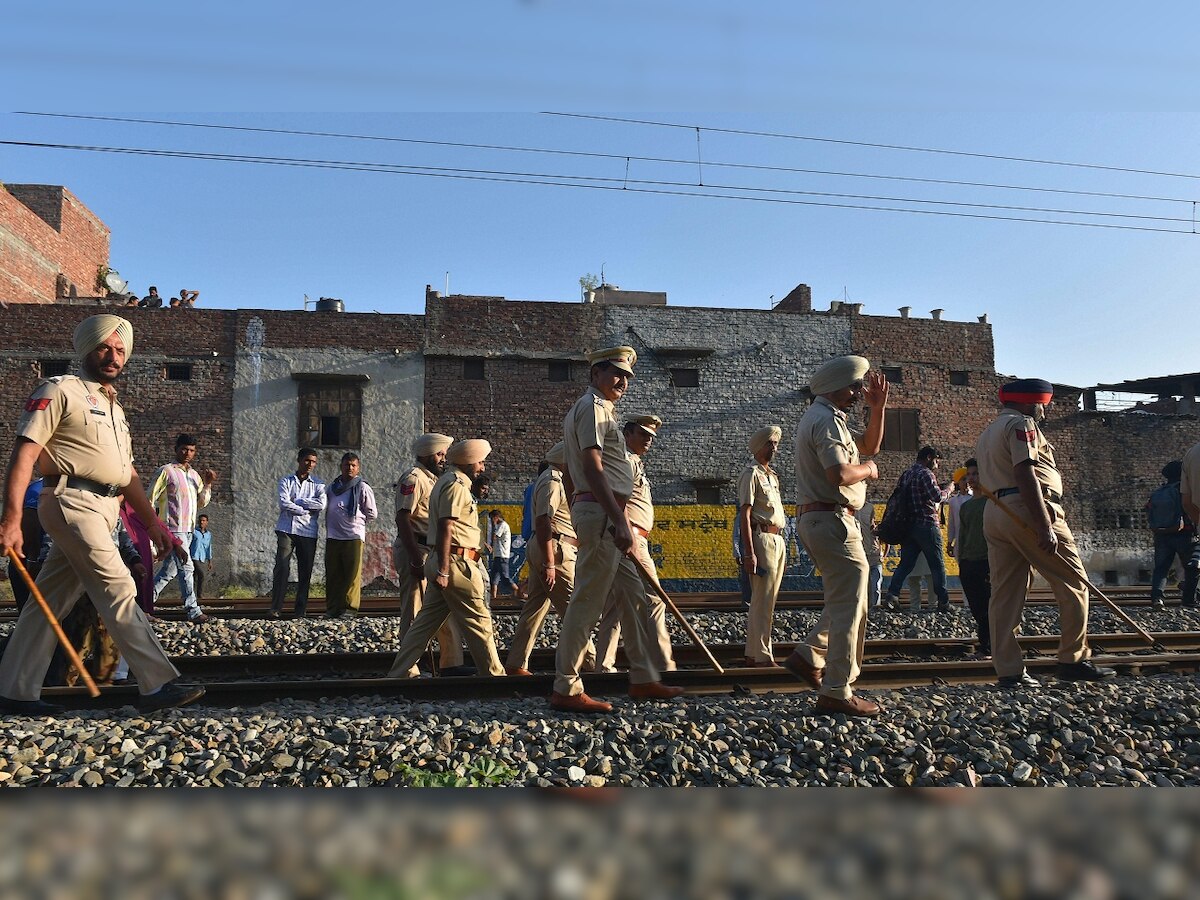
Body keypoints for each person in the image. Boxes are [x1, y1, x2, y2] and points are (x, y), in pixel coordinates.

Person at [0, 314, 203, 713]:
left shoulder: (115, 409)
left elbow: (126, 474)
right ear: (87, 350)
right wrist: (10, 518)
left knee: (48, 603)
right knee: (118, 587)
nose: (114, 356)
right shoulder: (61, 390)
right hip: (70, 500)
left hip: (106, 508)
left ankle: (13, 690)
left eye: (120, 350)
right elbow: (24, 454)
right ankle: (157, 683)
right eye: (105, 348)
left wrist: (154, 524)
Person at [551, 346, 682, 713]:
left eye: (627, 376)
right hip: (604, 515)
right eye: (615, 374)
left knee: (635, 595)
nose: (622, 381)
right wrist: (619, 519)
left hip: (606, 514)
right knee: (588, 600)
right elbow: (592, 467)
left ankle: (643, 678)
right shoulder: (592, 407)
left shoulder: (603, 409)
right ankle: (566, 687)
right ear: (595, 374)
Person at [975, 377, 1115, 686]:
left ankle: (1009, 671)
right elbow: (1024, 470)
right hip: (1028, 509)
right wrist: (1043, 525)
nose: (1044, 412)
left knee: (1005, 593)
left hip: (996, 512)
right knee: (1075, 583)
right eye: (1042, 405)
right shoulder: (1022, 424)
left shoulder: (988, 432)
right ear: (1030, 402)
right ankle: (1073, 659)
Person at [783, 355, 888, 717]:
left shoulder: (828, 418)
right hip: (832, 520)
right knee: (850, 608)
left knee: (849, 600)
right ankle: (837, 690)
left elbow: (870, 445)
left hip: (827, 521)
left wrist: (878, 409)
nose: (860, 392)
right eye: (856, 386)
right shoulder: (825, 420)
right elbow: (840, 474)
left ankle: (809, 655)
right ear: (835, 386)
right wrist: (870, 472)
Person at [387, 439, 506, 678]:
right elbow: (445, 526)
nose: (482, 467)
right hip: (454, 562)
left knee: (424, 624)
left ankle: (399, 673)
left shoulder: (445, 481)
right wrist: (442, 569)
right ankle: (496, 677)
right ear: (470, 461)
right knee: (480, 622)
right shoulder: (454, 485)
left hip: (442, 558)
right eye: (480, 462)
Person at [591, 415, 675, 674]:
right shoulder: (625, 461)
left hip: (630, 537)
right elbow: (619, 500)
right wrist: (626, 531)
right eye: (643, 435)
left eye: (651, 437)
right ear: (627, 434)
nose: (648, 441)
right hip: (631, 538)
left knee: (615, 605)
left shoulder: (633, 461)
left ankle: (604, 665)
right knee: (655, 599)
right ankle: (664, 664)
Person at [506, 444, 596, 675]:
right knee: (575, 609)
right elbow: (544, 520)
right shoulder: (553, 481)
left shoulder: (550, 479)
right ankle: (593, 664)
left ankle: (516, 663)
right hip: (555, 549)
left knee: (534, 608)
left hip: (547, 547)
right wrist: (549, 563)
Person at [392, 433, 468, 677]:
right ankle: (408, 669)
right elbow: (403, 517)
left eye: (444, 454)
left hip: (432, 550)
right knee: (414, 611)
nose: (443, 459)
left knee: (443, 608)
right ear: (425, 454)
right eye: (439, 454)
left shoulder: (436, 480)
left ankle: (451, 663)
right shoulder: (413, 479)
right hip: (416, 547)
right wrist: (415, 558)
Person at [149, 433, 216, 624]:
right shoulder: (166, 471)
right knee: (187, 567)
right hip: (172, 529)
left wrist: (208, 483)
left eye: (192, 450)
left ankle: (142, 602)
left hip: (189, 529)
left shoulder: (195, 476)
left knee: (168, 572)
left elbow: (201, 503)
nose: (188, 453)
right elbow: (149, 498)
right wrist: (154, 530)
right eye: (184, 449)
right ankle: (193, 610)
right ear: (176, 449)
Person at [880, 446, 954, 613]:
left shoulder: (906, 474)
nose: (937, 465)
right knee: (937, 565)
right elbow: (936, 496)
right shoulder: (926, 474)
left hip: (908, 527)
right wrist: (948, 490)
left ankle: (892, 595)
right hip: (927, 524)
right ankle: (943, 602)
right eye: (936, 461)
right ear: (929, 457)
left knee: (905, 564)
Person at [739, 425, 788, 667]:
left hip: (777, 539)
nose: (774, 448)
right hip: (762, 539)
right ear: (759, 447)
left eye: (776, 444)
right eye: (770, 444)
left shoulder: (772, 476)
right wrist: (748, 552)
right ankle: (761, 656)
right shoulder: (751, 474)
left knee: (769, 599)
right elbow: (745, 515)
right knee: (762, 598)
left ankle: (753, 653)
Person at [271, 447, 326, 619]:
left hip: (308, 532)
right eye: (307, 460)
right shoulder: (286, 481)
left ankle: (300, 610)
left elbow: (321, 505)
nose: (310, 464)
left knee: (305, 570)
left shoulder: (318, 484)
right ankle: (275, 607)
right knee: (282, 567)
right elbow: (284, 503)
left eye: (313, 462)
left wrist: (300, 502)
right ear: (299, 460)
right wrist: (304, 510)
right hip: (286, 529)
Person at [324, 452, 378, 618]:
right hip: (333, 536)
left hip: (353, 537)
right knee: (333, 574)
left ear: (358, 468)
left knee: (351, 575)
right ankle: (333, 609)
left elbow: (372, 513)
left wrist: (358, 521)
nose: (350, 468)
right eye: (347, 465)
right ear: (341, 467)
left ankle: (349, 609)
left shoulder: (362, 487)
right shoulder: (332, 488)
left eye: (353, 465)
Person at [1147, 460, 1198, 609]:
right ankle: (1189, 599)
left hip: (1162, 535)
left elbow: (1149, 510)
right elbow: (1190, 508)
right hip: (1184, 533)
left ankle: (1157, 598)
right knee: (1191, 567)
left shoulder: (1159, 492)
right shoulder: (1183, 491)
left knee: (1161, 568)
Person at [954, 461, 991, 657]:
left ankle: (987, 645)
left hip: (987, 560)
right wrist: (961, 558)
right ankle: (987, 644)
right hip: (969, 561)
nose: (972, 478)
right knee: (977, 606)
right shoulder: (966, 507)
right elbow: (963, 534)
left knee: (988, 605)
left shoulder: (992, 503)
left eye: (976, 474)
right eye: (969, 474)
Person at [6, 474, 44, 612]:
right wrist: (32, 561)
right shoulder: (38, 489)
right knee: (31, 611)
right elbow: (30, 527)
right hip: (29, 560)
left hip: (38, 560)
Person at [854, 501, 883, 611]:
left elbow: (885, 542)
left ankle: (875, 606)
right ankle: (863, 607)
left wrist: (882, 555)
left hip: (874, 556)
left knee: (875, 585)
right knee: (862, 584)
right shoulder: (852, 507)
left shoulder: (875, 530)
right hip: (861, 554)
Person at [486, 510, 517, 601]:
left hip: (502, 555)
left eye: (492, 518)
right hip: (497, 555)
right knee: (494, 578)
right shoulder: (499, 526)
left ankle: (518, 591)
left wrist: (487, 543)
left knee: (505, 578)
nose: (491, 521)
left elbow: (495, 536)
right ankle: (493, 598)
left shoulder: (503, 525)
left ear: (496, 517)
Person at [190, 513, 213, 602]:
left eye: (203, 521)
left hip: (201, 557)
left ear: (207, 522)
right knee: (201, 574)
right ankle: (199, 594)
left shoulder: (208, 534)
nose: (201, 522)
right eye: (200, 520)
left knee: (194, 576)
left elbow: (208, 547)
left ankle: (192, 596)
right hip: (193, 556)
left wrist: (210, 560)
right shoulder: (194, 532)